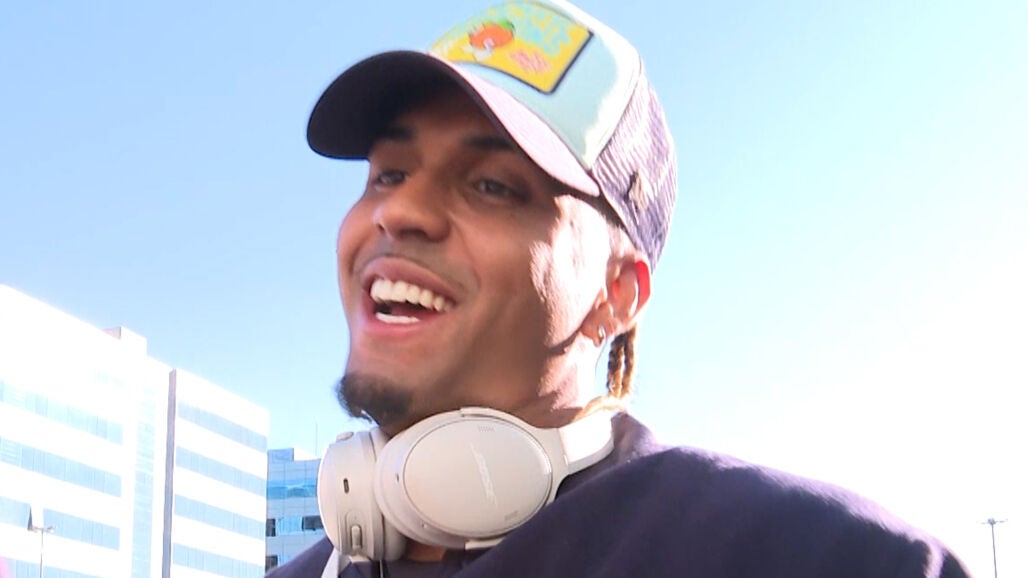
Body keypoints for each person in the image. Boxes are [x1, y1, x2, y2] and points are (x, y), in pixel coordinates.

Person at [270, 1, 971, 576]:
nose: (399, 211)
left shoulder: (828, 560)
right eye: (388, 175)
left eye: (491, 186)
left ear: (618, 293)